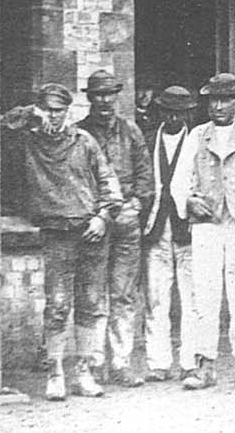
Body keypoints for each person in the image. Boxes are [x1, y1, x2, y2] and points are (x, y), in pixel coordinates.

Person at [2, 83, 123, 400]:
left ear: (67, 111)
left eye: (58, 110)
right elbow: (5, 123)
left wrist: (102, 217)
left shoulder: (84, 141)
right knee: (57, 305)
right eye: (48, 110)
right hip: (56, 234)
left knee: (90, 303)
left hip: (91, 232)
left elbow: (110, 185)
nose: (53, 116)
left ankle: (83, 372)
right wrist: (32, 113)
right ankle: (55, 373)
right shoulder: (30, 141)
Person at [170, 73, 235, 390]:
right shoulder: (197, 136)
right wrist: (189, 201)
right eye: (214, 100)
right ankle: (205, 364)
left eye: (225, 100)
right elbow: (178, 182)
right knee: (205, 295)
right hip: (207, 227)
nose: (218, 106)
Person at [76, 69, 155, 388]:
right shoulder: (79, 133)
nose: (105, 100)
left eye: (110, 94)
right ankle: (94, 363)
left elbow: (145, 175)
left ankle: (120, 363)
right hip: (95, 221)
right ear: (90, 98)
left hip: (125, 221)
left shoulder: (131, 131)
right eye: (99, 94)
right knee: (93, 294)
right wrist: (93, 213)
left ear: (117, 96)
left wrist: (136, 204)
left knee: (123, 293)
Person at [141, 86, 198, 383]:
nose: (174, 118)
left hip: (187, 229)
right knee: (156, 298)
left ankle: (190, 361)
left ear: (188, 114)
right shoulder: (149, 140)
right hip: (156, 229)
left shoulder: (197, 141)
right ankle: (158, 362)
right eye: (168, 112)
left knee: (192, 299)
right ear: (161, 111)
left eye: (180, 113)